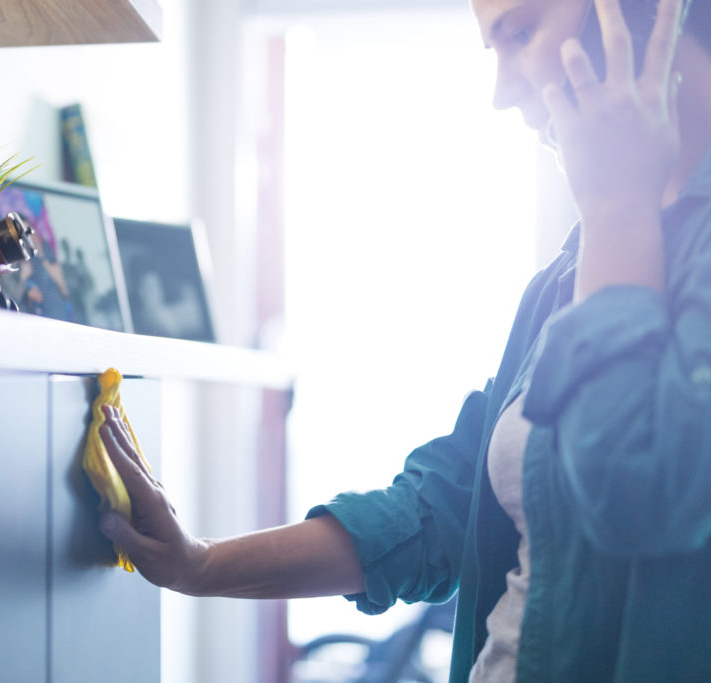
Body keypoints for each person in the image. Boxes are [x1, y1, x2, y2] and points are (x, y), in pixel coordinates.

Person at [97, 0, 711, 680]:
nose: (502, 91)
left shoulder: (629, 235)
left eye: (521, 30)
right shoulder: (566, 276)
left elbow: (637, 499)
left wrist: (620, 209)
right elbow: (436, 511)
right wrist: (198, 562)